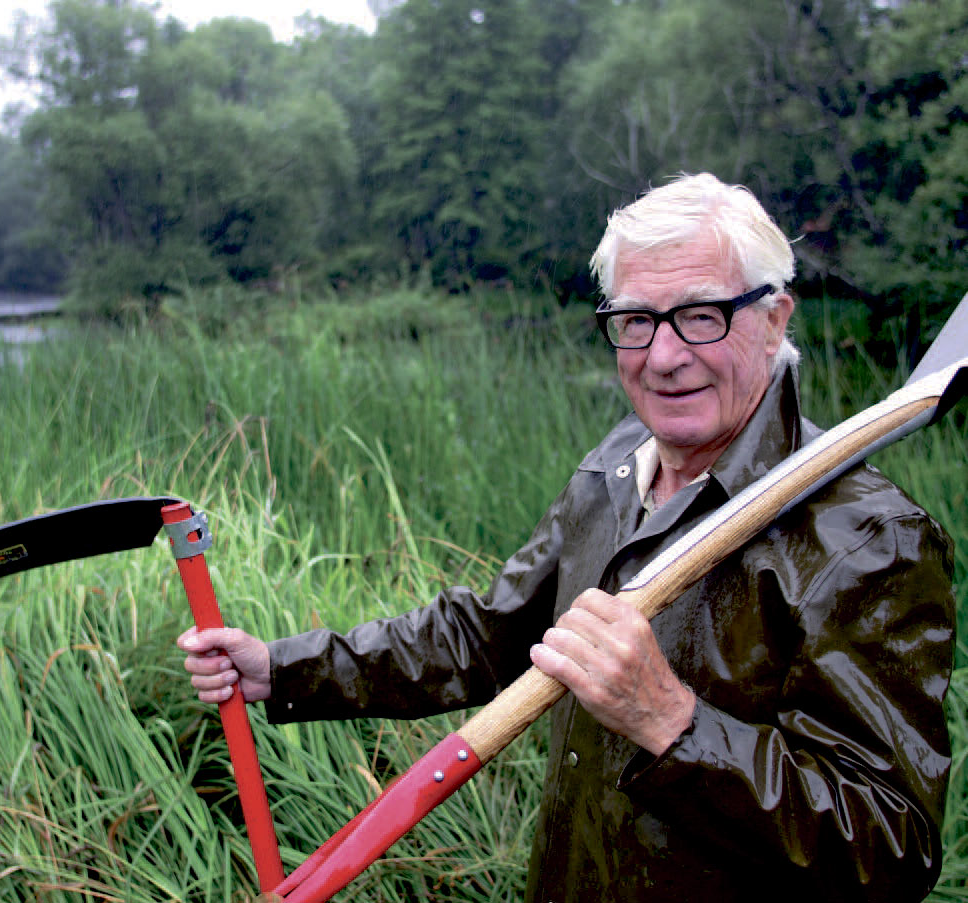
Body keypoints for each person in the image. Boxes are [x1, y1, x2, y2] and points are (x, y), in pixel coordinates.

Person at [178, 173, 955, 902]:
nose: (664, 356)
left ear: (774, 318)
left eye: (701, 315)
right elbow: (489, 634)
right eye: (636, 321)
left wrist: (673, 724)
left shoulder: (868, 538)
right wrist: (284, 668)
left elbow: (893, 846)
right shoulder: (617, 462)